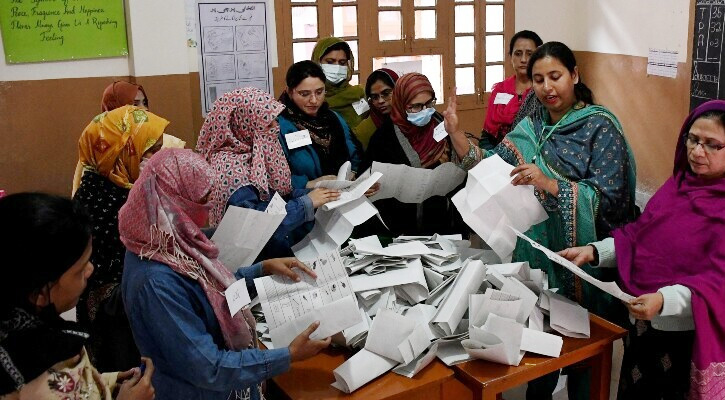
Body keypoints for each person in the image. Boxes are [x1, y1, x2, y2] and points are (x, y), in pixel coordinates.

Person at [446, 42, 637, 399]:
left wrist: (549, 184)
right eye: (538, 79)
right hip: (540, 259)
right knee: (541, 348)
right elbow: (490, 167)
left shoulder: (600, 126)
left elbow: (614, 201)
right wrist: (456, 133)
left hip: (584, 263)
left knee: (584, 355)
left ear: (574, 75)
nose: (547, 87)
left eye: (555, 76)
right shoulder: (531, 127)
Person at [120, 148, 331, 399]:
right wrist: (288, 355)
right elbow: (209, 368)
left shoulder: (169, 241)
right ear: (174, 202)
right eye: (202, 199)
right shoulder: (156, 283)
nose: (209, 207)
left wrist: (260, 271)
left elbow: (210, 296)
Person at [559, 100, 725, 399]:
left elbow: (718, 285)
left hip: (688, 337)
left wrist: (665, 300)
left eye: (714, 145)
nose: (698, 152)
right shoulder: (676, 188)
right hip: (643, 323)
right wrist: (594, 252)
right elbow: (639, 237)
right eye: (694, 139)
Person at [0, 193, 154, 400]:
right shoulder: (40, 377)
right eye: (79, 270)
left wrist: (105, 382)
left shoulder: (28, 322)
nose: (91, 270)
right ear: (39, 292)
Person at [73, 105, 167, 372]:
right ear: (120, 150)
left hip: (131, 299)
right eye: (150, 150)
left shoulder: (125, 187)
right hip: (113, 309)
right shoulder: (104, 198)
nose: (156, 158)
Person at [196, 87, 340, 258]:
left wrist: (328, 193)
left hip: (273, 250)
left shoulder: (251, 153)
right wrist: (306, 203)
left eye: (275, 121)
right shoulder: (230, 169)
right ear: (244, 125)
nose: (275, 128)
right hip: (253, 260)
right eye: (268, 123)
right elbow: (255, 225)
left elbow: (278, 195)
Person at [361, 72, 460, 235]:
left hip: (443, 223)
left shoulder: (441, 125)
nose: (425, 110)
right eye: (416, 106)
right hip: (402, 230)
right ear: (400, 104)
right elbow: (366, 181)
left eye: (429, 103)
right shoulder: (384, 139)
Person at [73, 81, 185, 195]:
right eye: (135, 104)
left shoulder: (169, 144)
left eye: (145, 103)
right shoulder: (97, 153)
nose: (144, 109)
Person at [277, 60, 362, 189]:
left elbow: (354, 153)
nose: (314, 100)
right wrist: (309, 184)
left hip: (343, 194)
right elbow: (274, 176)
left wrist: (354, 173)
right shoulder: (279, 126)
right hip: (306, 201)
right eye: (304, 94)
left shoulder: (334, 118)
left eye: (319, 92)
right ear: (289, 92)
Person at [481, 30, 543, 149]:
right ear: (511, 57)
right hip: (494, 151)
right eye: (518, 53)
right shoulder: (500, 89)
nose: (524, 59)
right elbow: (487, 134)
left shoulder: (543, 92)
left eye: (530, 54)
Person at [311, 37, 366, 133]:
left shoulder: (358, 95)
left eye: (342, 63)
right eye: (330, 62)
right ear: (318, 62)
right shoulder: (309, 99)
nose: (337, 67)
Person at [352, 68, 400, 150]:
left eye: (386, 93)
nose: (380, 101)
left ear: (399, 90)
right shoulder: (364, 131)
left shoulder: (412, 117)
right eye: (375, 97)